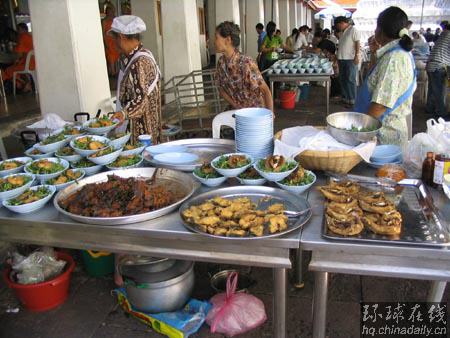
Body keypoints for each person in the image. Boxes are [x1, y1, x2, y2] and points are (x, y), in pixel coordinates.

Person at [354, 6, 416, 149]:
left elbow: (380, 105)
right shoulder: (398, 52)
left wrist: (359, 134)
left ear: (380, 30)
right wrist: (374, 53)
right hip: (383, 132)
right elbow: (374, 79)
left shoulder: (393, 59)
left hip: (383, 137)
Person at [110, 15, 162, 144]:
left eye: (114, 38)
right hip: (149, 125)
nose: (113, 43)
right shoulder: (141, 55)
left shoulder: (139, 62)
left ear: (121, 37)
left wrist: (123, 113)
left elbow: (142, 99)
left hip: (142, 129)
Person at [214, 21, 273, 111]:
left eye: (216, 37)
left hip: (255, 112)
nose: (214, 41)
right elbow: (221, 89)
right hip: (237, 111)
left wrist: (270, 115)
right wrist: (235, 105)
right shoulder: (221, 62)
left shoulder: (246, 63)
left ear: (228, 40)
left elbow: (265, 90)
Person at [1, 23, 35, 92]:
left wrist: (12, 50)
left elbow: (19, 54)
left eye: (18, 30)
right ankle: (23, 85)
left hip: (27, 65)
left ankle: (21, 86)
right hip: (33, 64)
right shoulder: (30, 36)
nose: (17, 32)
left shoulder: (23, 37)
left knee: (8, 70)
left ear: (21, 29)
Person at [425, 22, 450, 119]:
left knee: (432, 89)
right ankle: (442, 113)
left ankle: (429, 108)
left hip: (431, 65)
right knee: (440, 90)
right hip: (438, 66)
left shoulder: (444, 35)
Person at [335, 16, 361, 107]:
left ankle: (352, 100)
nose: (338, 28)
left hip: (350, 59)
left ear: (342, 23)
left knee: (350, 79)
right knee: (343, 79)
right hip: (341, 58)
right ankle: (345, 98)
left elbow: (358, 43)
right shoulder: (342, 32)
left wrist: (357, 56)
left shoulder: (353, 30)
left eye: (338, 25)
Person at [102, 5, 120, 76]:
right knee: (110, 55)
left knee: (116, 54)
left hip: (114, 39)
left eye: (111, 11)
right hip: (108, 40)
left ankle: (114, 70)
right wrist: (105, 42)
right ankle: (113, 71)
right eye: (109, 11)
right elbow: (103, 32)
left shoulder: (115, 19)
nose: (111, 13)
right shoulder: (104, 21)